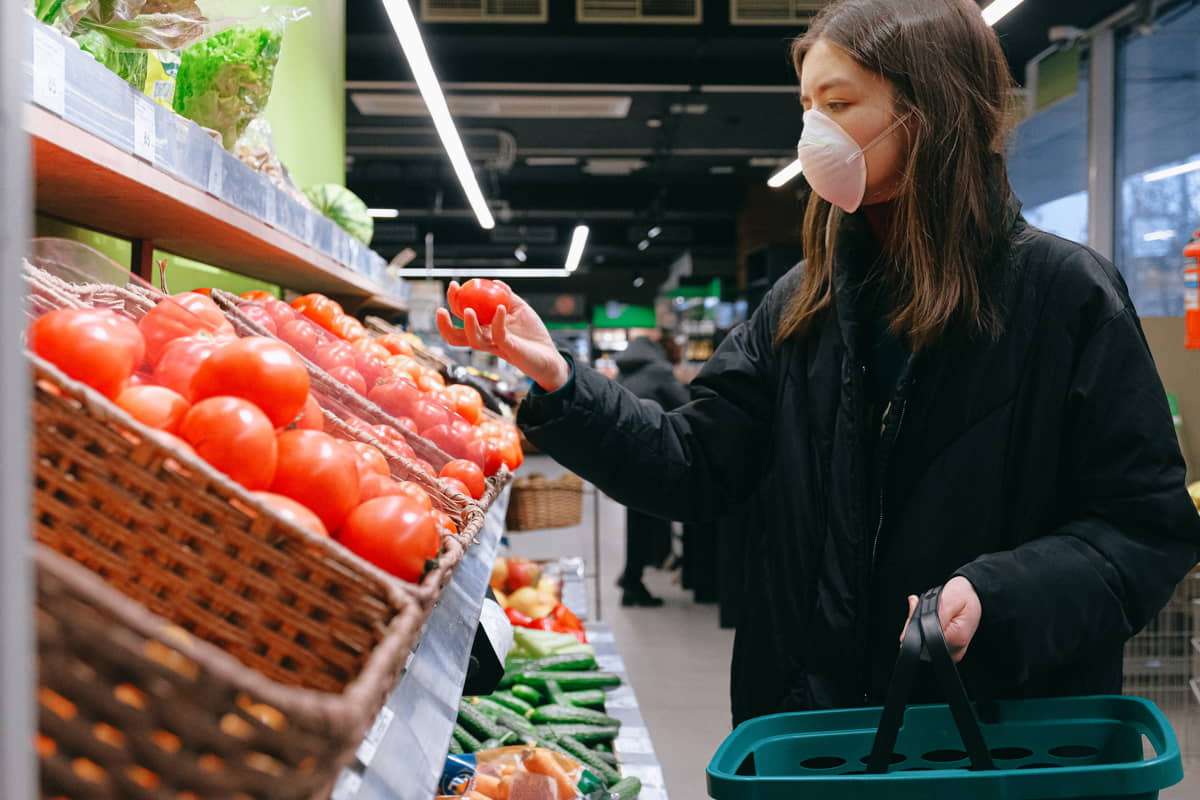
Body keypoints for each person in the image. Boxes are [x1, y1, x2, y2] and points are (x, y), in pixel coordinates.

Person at [438, 0, 1200, 726]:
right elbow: (695, 463)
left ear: (926, 110)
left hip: (995, 740)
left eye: (838, 105)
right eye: (806, 106)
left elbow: (1146, 528)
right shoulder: (803, 304)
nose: (812, 133)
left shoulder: (1063, 297)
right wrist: (561, 383)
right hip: (815, 733)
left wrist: (999, 594)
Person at [612, 332, 690, 607]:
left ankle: (632, 576)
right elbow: (686, 405)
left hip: (623, 455)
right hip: (648, 456)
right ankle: (633, 581)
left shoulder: (625, 370)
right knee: (646, 519)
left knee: (639, 520)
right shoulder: (659, 370)